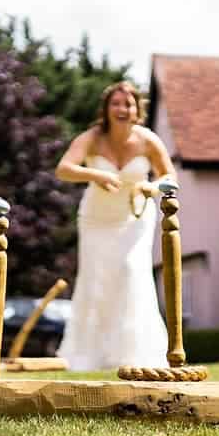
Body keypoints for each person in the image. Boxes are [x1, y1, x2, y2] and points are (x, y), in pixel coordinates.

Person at [54, 81, 176, 370]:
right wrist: (96, 175)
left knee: (131, 271)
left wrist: (150, 187)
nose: (122, 108)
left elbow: (170, 178)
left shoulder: (148, 141)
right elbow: (63, 169)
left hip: (135, 219)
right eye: (116, 103)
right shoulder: (93, 138)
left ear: (137, 109)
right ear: (107, 109)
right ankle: (91, 356)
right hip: (96, 220)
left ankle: (135, 354)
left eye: (128, 103)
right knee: (96, 281)